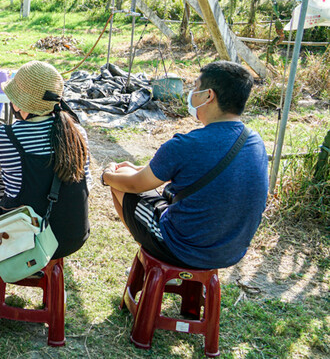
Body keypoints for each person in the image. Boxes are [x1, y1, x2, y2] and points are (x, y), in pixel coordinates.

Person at [102, 61, 269, 270]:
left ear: (209, 96)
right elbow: (197, 173)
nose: (192, 93)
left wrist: (107, 176)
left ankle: (149, 257)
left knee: (121, 179)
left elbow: (135, 185)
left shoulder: (186, 144)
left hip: (183, 248)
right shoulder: (254, 140)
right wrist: (140, 169)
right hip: (230, 252)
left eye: (196, 87)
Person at [0, 61, 92, 262]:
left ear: (19, 104)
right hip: (71, 237)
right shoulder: (77, 132)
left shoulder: (4, 135)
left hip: (24, 239)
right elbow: (87, 184)